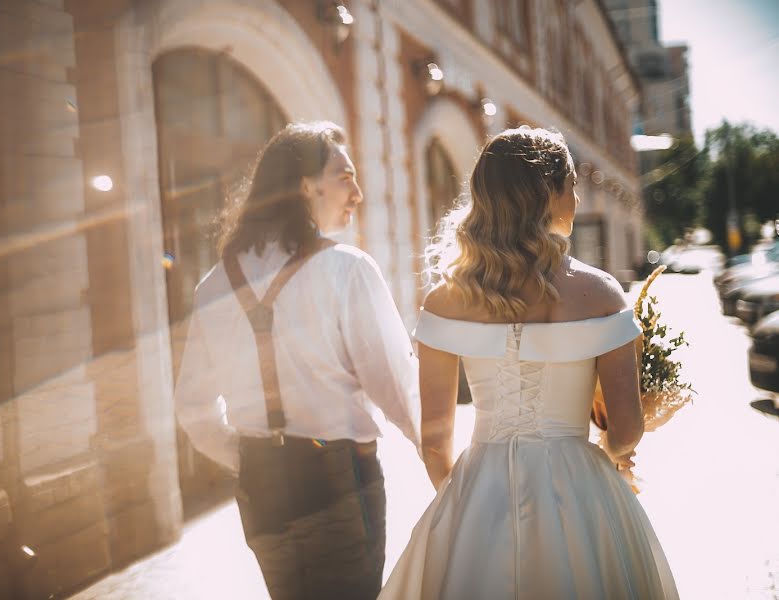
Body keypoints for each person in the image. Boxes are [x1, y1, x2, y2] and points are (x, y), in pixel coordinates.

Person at [379, 128, 678, 599]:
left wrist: (466, 511)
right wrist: (613, 451)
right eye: (571, 185)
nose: (577, 198)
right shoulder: (600, 294)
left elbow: (434, 439)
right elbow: (626, 430)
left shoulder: (445, 301)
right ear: (548, 193)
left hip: (481, 487)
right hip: (581, 492)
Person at [175, 121, 421, 600]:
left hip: (261, 492)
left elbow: (193, 410)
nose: (358, 192)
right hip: (341, 483)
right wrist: (445, 462)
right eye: (345, 176)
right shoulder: (346, 269)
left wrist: (253, 456)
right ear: (307, 186)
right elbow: (399, 388)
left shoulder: (213, 285)